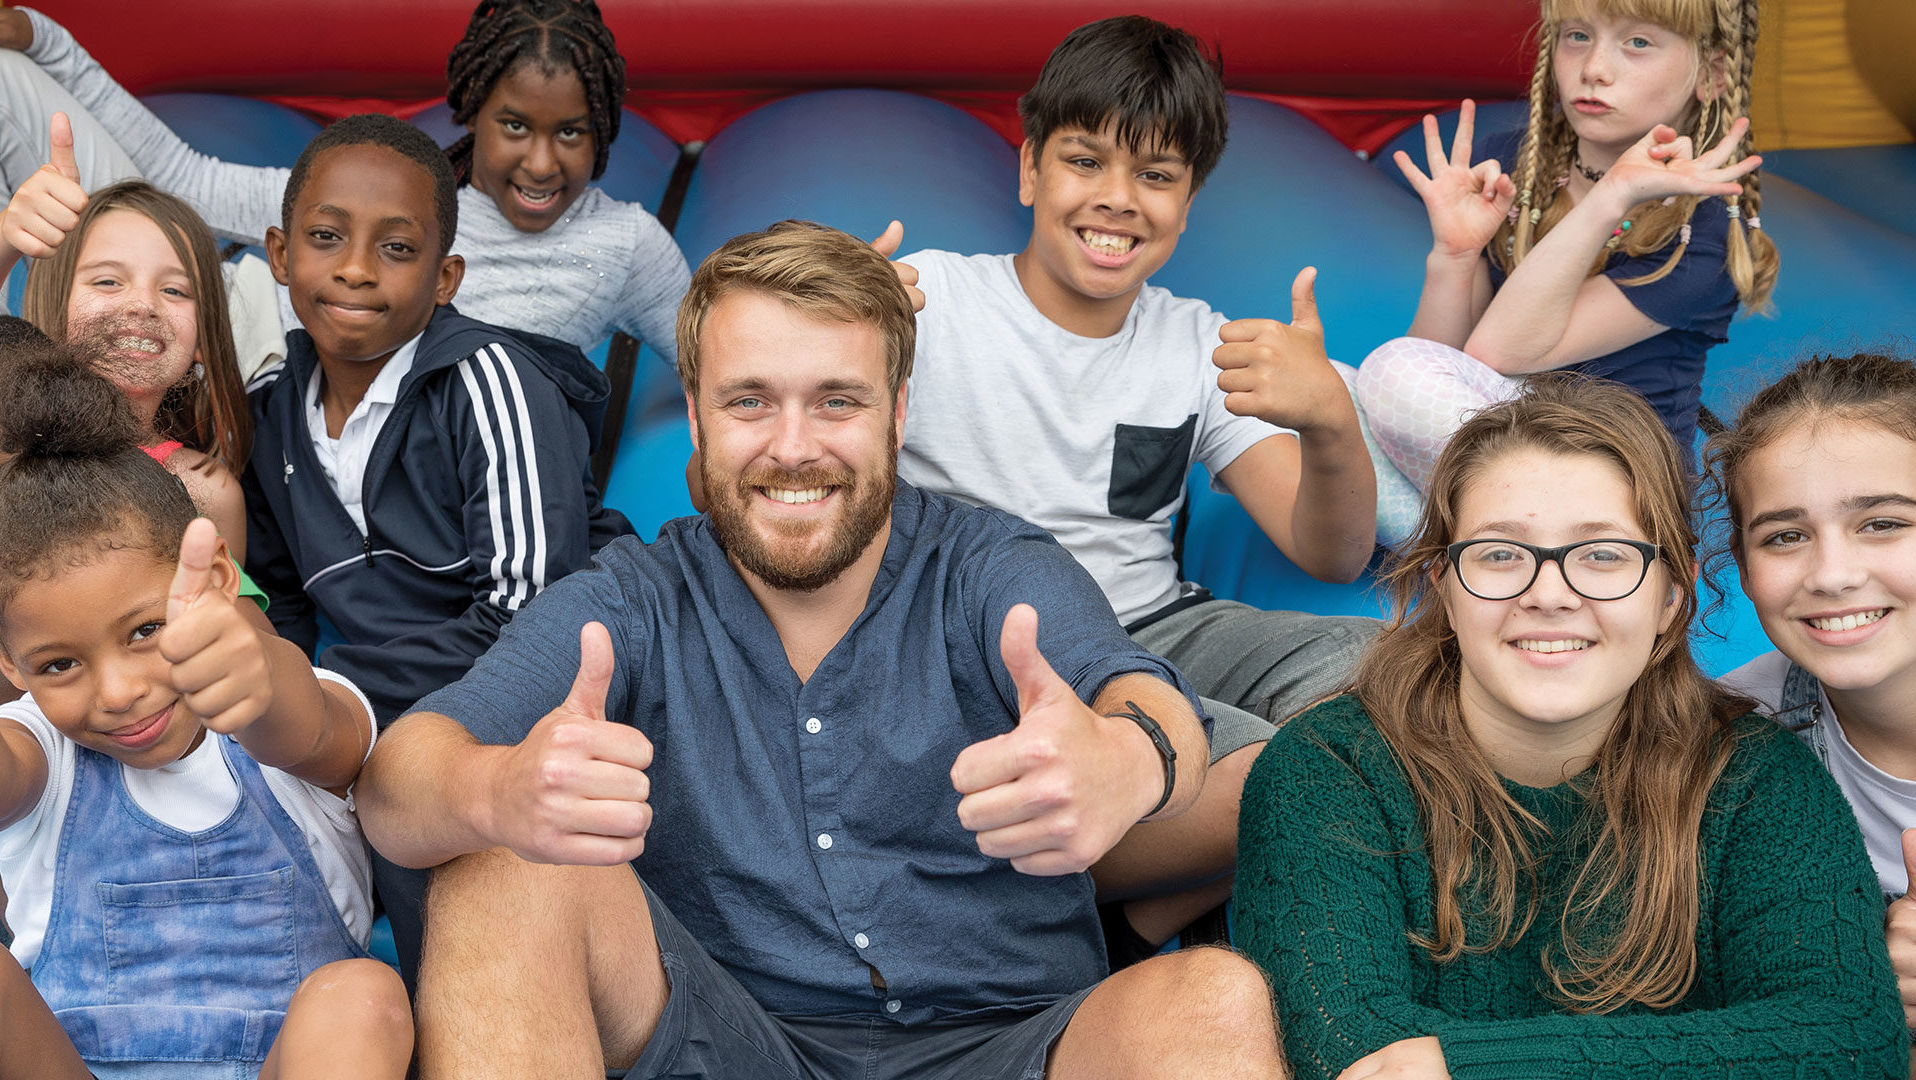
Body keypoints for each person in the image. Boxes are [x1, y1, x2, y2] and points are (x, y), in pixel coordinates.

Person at [354, 221, 1284, 1079]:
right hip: (731, 1046)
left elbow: (1148, 700)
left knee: (1212, 1000)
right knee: (501, 861)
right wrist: (498, 791)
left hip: (1013, 1046)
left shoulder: (988, 564)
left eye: (836, 400)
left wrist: (1127, 761)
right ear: (697, 413)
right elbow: (396, 783)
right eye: (750, 401)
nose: (792, 448)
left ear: (898, 411)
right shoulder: (631, 599)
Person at [879, 14, 1383, 954]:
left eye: (1155, 176)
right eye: (1086, 162)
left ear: (1187, 204)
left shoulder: (1198, 342)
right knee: (1294, 771)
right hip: (986, 643)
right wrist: (844, 342)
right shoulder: (933, 301)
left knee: (1392, 684)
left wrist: (1328, 423)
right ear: (1030, 170)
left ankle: (1140, 916)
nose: (1118, 200)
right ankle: (1133, 908)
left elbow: (1331, 549)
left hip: (1156, 624)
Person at [1235, 376, 1905, 1078]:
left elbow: (1846, 1039)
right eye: (1499, 554)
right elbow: (1354, 1053)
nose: (1548, 594)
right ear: (1445, 590)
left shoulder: (1754, 777)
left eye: (1603, 556)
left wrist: (1469, 1063)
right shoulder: (1329, 769)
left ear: (1671, 600)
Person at [242, 112, 630, 981]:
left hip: (542, 705)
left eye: (397, 248)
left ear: (446, 275)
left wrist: (336, 703)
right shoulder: (272, 412)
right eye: (326, 237)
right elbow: (284, 602)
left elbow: (540, 616)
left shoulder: (488, 383)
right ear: (278, 253)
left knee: (419, 817)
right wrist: (278, 707)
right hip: (380, 713)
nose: (353, 268)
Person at [0, 348, 410, 1079]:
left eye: (146, 631)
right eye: (60, 664)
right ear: (11, 666)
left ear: (218, 579)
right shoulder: (40, 748)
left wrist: (255, 683)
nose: (119, 691)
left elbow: (309, 726)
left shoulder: (294, 716)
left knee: (366, 991)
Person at [0, 0, 690, 357]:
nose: (542, 164)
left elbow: (717, 361)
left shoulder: (625, 245)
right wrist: (45, 37)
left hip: (220, 377)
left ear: (601, 129)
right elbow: (184, 179)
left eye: (569, 132)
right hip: (189, 305)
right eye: (515, 126)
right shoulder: (398, 190)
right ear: (473, 111)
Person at [1358, 0, 1780, 538]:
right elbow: (1440, 362)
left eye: (1638, 43)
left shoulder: (1706, 232)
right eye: (1577, 35)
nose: (1594, 68)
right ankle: (1472, 546)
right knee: (1337, 395)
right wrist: (1455, 257)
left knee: (1394, 372)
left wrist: (1610, 198)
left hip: (1615, 483)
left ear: (1712, 74)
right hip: (1502, 448)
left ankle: (1486, 548)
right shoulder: (1517, 165)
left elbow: (1501, 352)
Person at [1710, 353, 1916, 1042]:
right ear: (1741, 566)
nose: (1832, 574)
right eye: (1786, 536)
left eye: (1884, 523)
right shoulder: (1731, 741)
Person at [0, 119, 252, 558]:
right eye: (108, 282)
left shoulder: (207, 490)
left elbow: (224, 620)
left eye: (174, 290)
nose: (142, 304)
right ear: (54, 308)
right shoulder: (6, 436)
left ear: (201, 344)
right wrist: (4, 236)